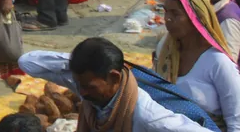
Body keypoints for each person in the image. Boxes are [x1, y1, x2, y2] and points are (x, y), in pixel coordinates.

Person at [20, 37, 213, 132]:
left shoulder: (148, 117)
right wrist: (76, 61)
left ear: (114, 78)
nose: (82, 92)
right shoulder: (88, 87)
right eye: (79, 84)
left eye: (89, 86)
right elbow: (27, 61)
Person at [151, 0, 240, 129]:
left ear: (196, 17)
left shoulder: (217, 62)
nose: (167, 18)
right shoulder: (164, 50)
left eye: (175, 13)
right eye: (166, 11)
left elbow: (236, 120)